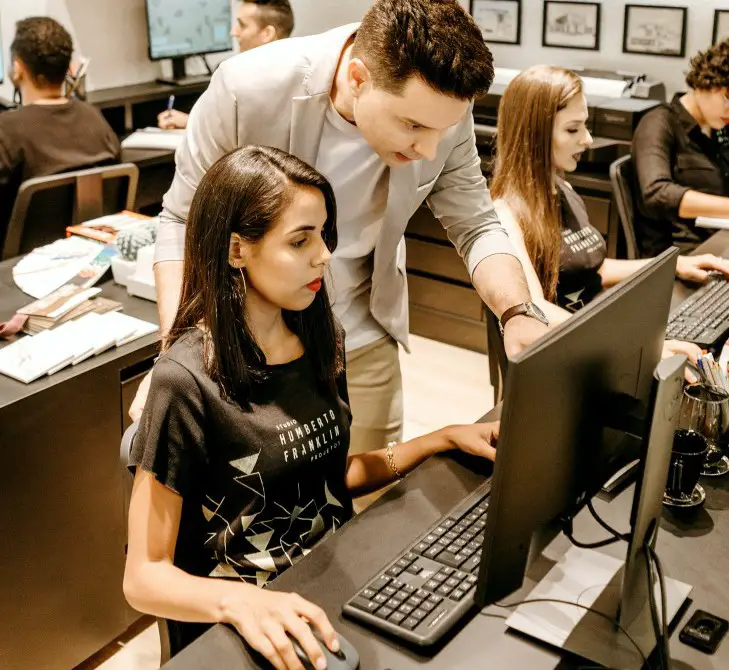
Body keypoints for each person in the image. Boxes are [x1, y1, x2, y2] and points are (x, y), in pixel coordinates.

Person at [123, 145, 500, 667]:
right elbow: (143, 576)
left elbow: (321, 480)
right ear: (236, 250)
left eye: (324, 235)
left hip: (330, 587)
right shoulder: (183, 381)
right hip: (249, 627)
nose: (324, 254)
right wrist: (241, 601)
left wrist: (439, 440)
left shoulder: (322, 337)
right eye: (300, 240)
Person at [131, 0, 548, 456]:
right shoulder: (246, 90)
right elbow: (180, 221)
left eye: (439, 131)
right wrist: (177, 351)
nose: (429, 149)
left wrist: (517, 311)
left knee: (373, 499)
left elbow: (476, 224)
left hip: (364, 334)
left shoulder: (442, 108)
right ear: (357, 78)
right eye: (412, 125)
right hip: (250, 340)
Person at [490, 65, 729, 368]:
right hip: (564, 358)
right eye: (573, 129)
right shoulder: (505, 213)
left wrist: (673, 264)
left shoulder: (561, 190)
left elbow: (592, 267)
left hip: (595, 341)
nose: (588, 139)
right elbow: (536, 309)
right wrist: (640, 347)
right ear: (534, 133)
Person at [0, 17, 120, 251]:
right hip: (90, 257)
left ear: (17, 69)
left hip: (20, 269)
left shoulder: (7, 131)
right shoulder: (95, 119)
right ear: (67, 68)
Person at [632, 39, 729, 257]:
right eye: (727, 98)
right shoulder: (659, 123)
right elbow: (656, 193)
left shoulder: (718, 127)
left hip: (717, 241)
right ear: (706, 82)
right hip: (682, 254)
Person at [157, 0, 295, 130]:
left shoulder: (239, 79)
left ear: (267, 34)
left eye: (242, 25)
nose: (233, 32)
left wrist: (190, 125)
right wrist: (191, 121)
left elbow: (232, 133)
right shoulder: (298, 76)